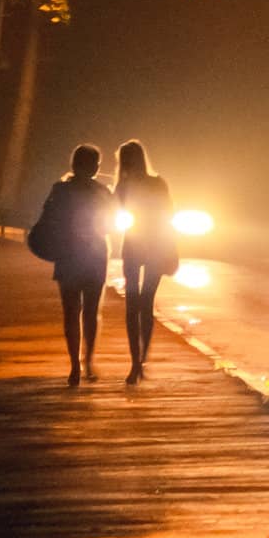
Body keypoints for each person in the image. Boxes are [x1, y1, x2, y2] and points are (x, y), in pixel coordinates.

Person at [37, 144, 114, 386]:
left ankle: (74, 366)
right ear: (95, 167)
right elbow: (112, 225)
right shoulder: (103, 192)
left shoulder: (60, 190)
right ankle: (88, 361)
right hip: (95, 256)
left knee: (71, 311)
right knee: (91, 312)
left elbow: (48, 219)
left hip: (68, 255)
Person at [114, 139, 178, 386]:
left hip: (133, 246)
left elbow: (116, 210)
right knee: (146, 305)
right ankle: (141, 360)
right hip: (157, 247)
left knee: (132, 306)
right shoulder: (159, 184)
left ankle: (135, 364)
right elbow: (169, 214)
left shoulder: (124, 186)